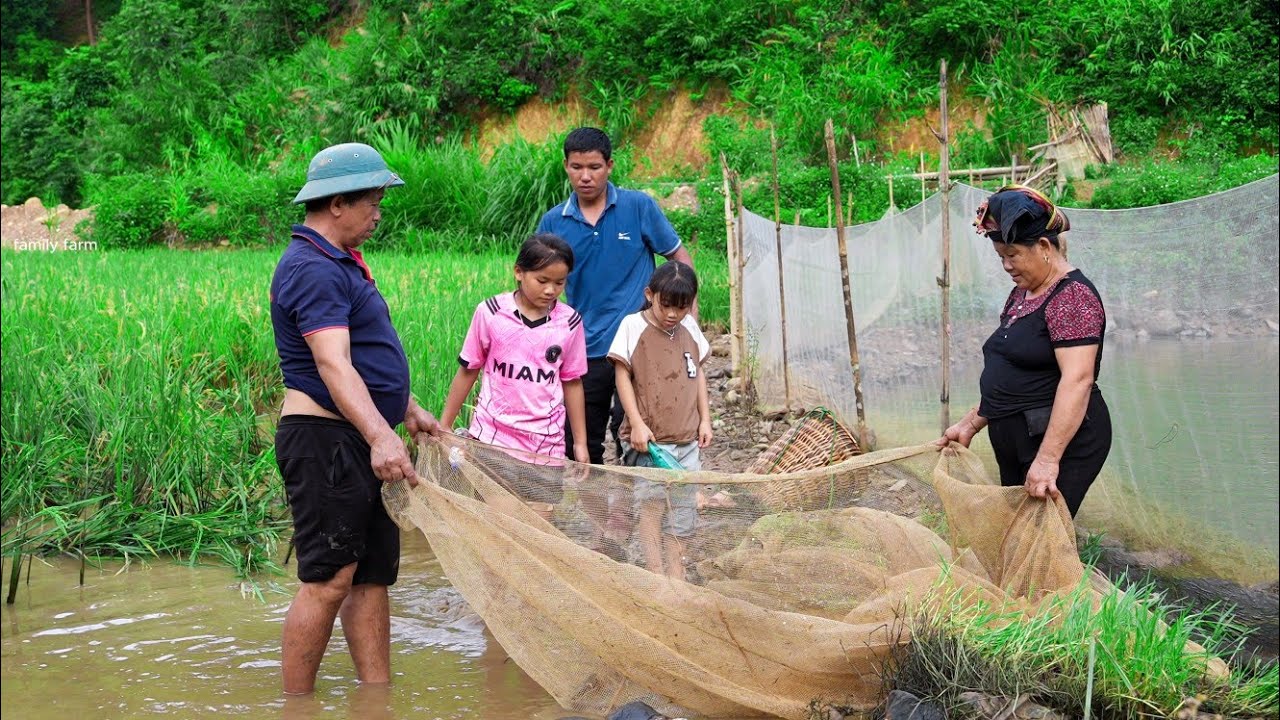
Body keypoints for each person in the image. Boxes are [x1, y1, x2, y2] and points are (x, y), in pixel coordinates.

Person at [270, 142, 439, 694]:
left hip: (357, 436)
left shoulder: (340, 263)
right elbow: (332, 363)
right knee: (328, 578)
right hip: (327, 440)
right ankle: (296, 705)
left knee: (369, 576)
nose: (378, 214)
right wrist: (378, 434)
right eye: (371, 202)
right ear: (337, 203)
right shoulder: (312, 267)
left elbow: (364, 352)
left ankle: (376, 697)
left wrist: (406, 409)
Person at [936, 185, 1111, 517]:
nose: (1006, 266)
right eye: (1001, 257)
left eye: (1012, 255)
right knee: (1016, 532)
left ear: (1044, 246)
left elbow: (1077, 380)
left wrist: (1047, 460)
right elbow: (1013, 376)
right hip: (1019, 439)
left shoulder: (1071, 297)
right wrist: (970, 424)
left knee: (1038, 536)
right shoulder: (1023, 293)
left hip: (1059, 442)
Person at [536, 127, 697, 465]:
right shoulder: (554, 222)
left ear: (609, 166)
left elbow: (680, 260)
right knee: (581, 440)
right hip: (584, 347)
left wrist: (690, 326)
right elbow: (540, 287)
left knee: (639, 436)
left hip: (642, 346)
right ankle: (594, 511)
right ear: (565, 166)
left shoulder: (637, 207)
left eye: (594, 167)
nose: (585, 176)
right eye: (576, 167)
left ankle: (637, 511)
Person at [438, 233, 589, 514]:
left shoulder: (569, 323)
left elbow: (572, 382)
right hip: (495, 439)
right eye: (542, 281)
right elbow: (468, 369)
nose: (550, 290)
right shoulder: (491, 313)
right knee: (500, 525)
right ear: (519, 272)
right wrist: (444, 426)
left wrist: (579, 443)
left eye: (560, 283)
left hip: (546, 444)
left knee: (538, 529)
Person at [608, 261, 713, 579]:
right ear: (650, 295)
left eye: (681, 308)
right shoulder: (632, 326)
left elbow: (699, 374)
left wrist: (705, 420)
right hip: (651, 443)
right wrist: (637, 423)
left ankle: (676, 574)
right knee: (652, 505)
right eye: (665, 305)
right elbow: (621, 374)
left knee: (682, 511)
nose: (672, 314)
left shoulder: (690, 328)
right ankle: (655, 572)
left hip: (686, 439)